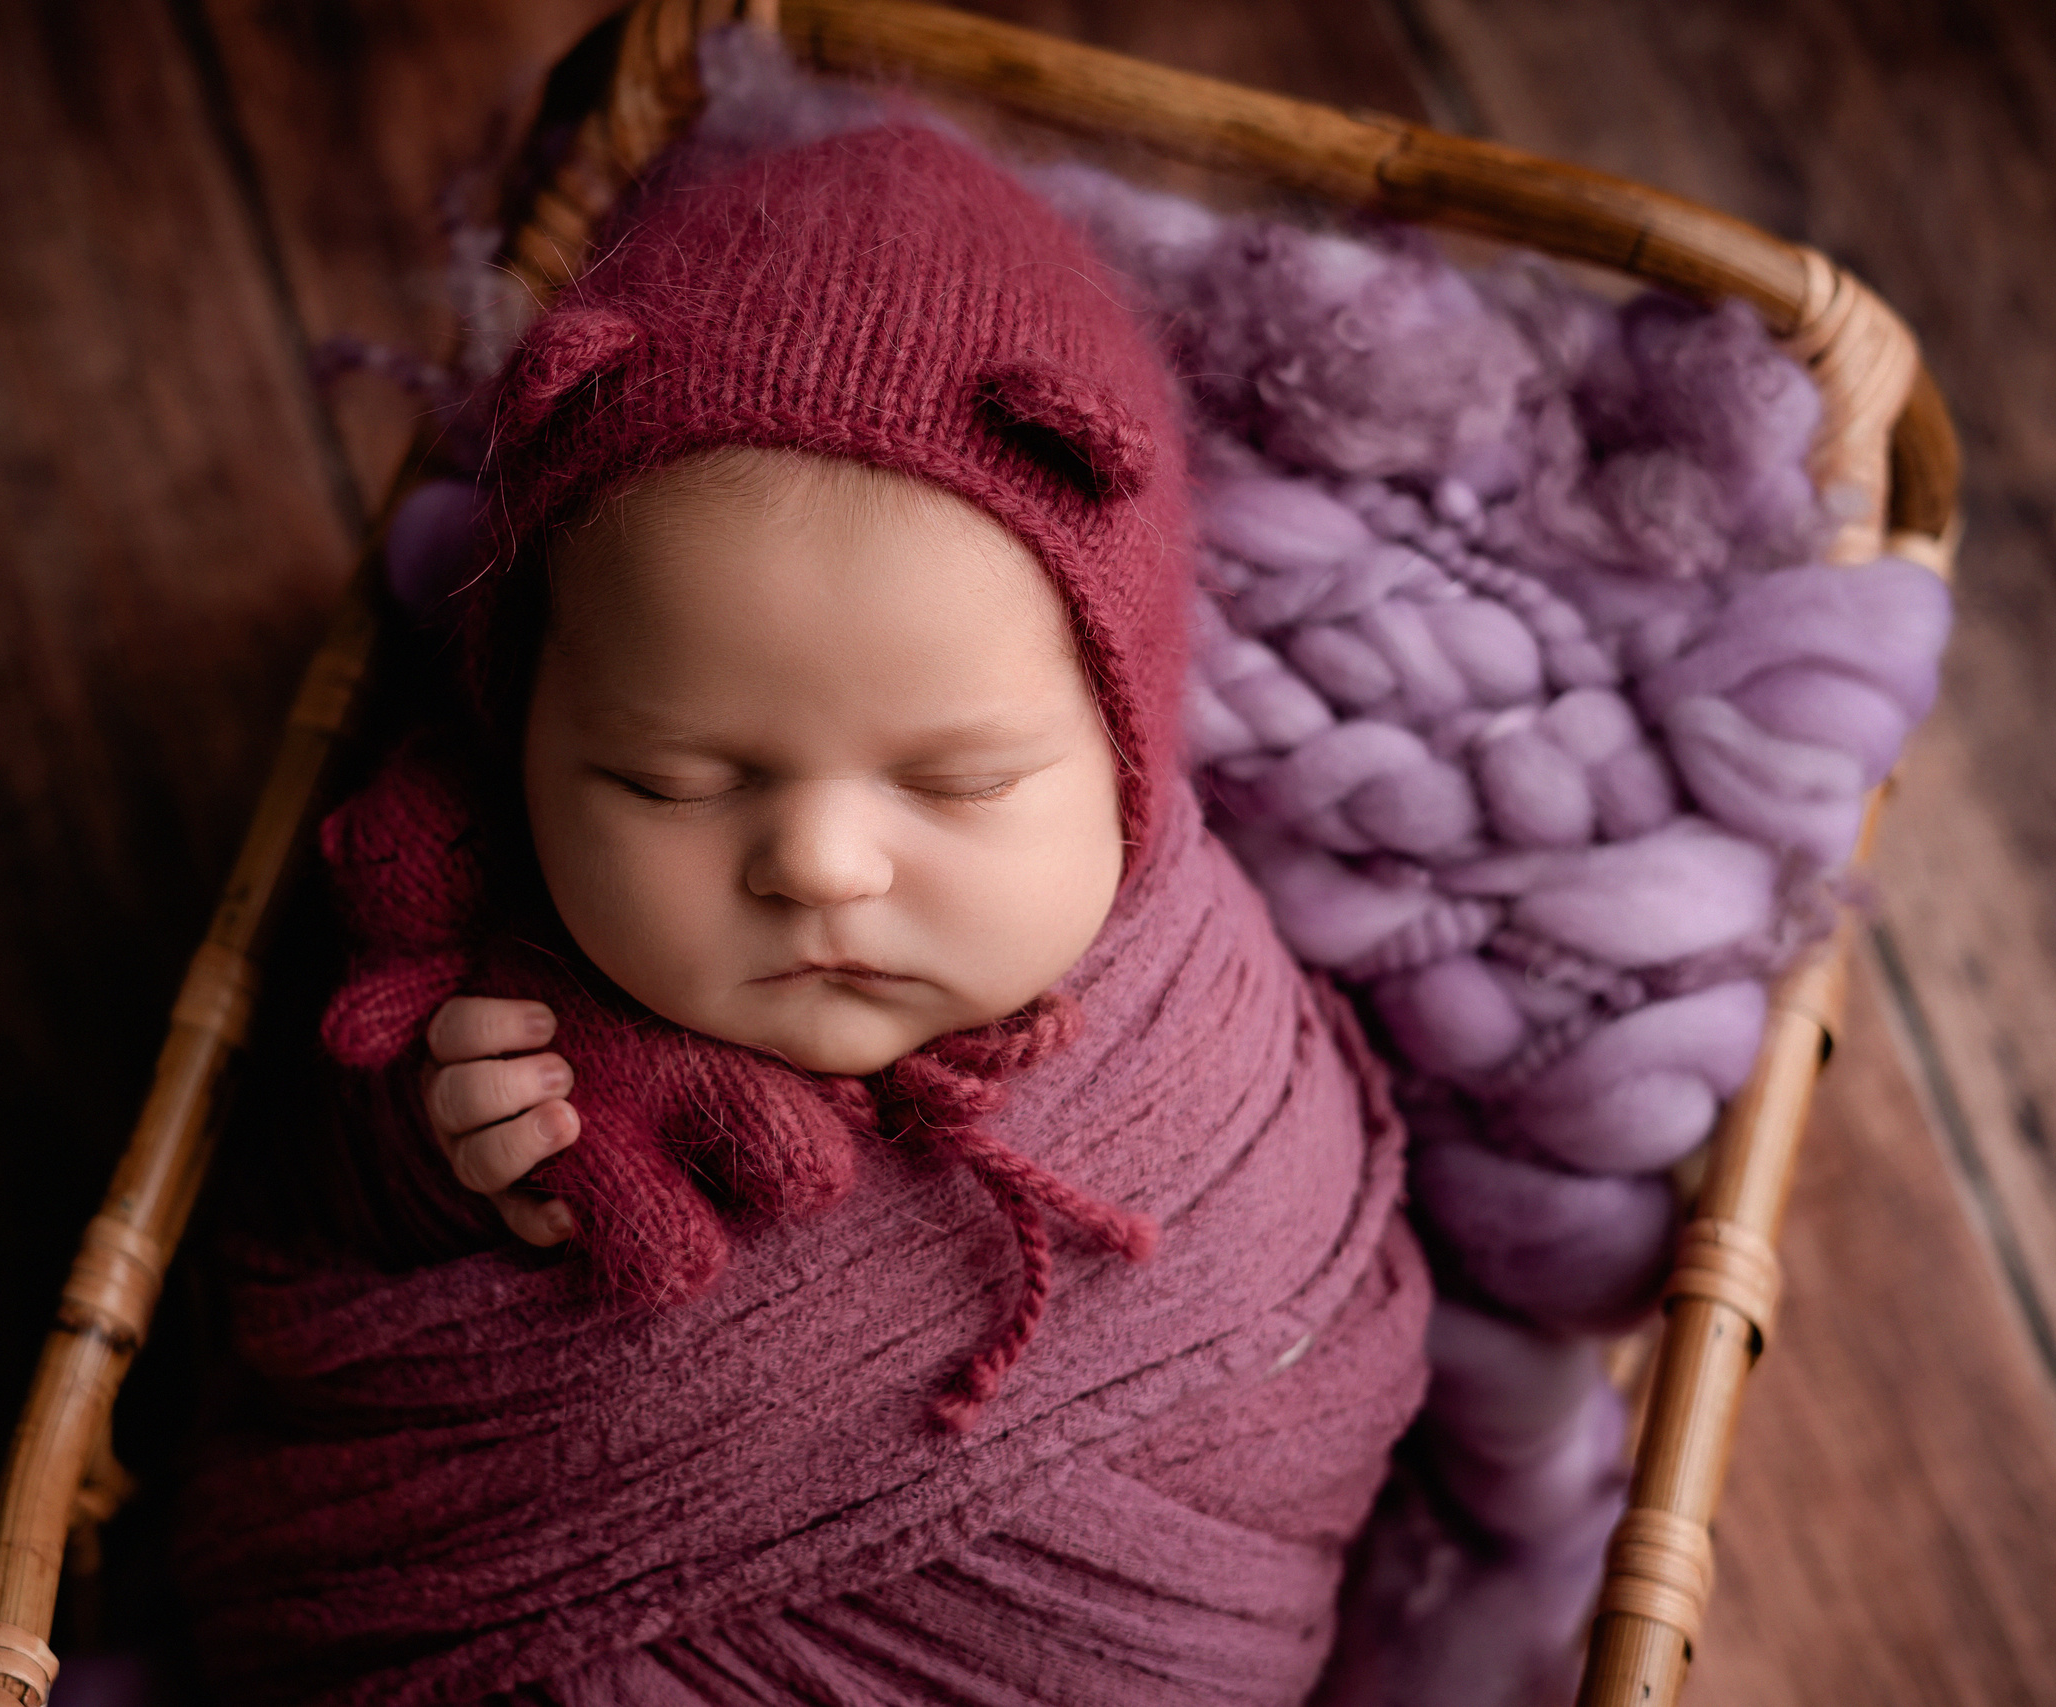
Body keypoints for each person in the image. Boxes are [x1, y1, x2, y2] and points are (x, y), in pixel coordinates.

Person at [175, 121, 1430, 1707]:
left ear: (1126, 764)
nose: (822, 863)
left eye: (961, 781)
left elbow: (1310, 1383)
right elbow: (290, 1261)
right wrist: (443, 1166)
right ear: (523, 747)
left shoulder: (1214, 1053)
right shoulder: (485, 980)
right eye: (670, 783)